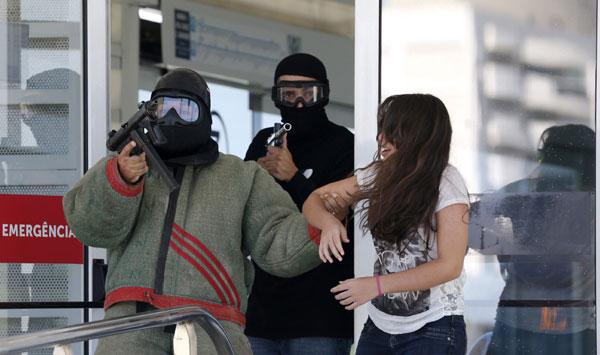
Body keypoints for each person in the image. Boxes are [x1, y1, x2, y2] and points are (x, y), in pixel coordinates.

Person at [62, 68, 327, 355]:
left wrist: (323, 224)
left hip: (211, 323)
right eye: (165, 108)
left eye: (186, 109)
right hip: (131, 322)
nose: (173, 118)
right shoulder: (127, 160)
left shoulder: (240, 176)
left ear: (204, 115)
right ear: (149, 112)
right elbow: (89, 226)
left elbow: (276, 242)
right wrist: (120, 179)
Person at [303, 94, 470, 354]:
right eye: (382, 129)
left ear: (418, 134)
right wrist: (329, 224)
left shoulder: (446, 180)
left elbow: (450, 266)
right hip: (380, 326)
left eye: (391, 130)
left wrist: (376, 286)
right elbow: (314, 199)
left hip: (434, 326)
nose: (381, 137)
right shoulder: (379, 175)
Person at [244, 53, 355, 354]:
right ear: (276, 97)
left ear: (325, 94)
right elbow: (246, 215)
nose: (300, 104)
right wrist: (257, 178)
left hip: (321, 316)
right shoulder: (264, 141)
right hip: (261, 314)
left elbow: (335, 214)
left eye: (309, 94)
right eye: (288, 95)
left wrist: (292, 175)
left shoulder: (344, 144)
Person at [485, 124, 596, 355]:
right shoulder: (592, 206)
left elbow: (499, 254)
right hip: (575, 328)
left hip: (516, 323)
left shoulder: (514, 195)